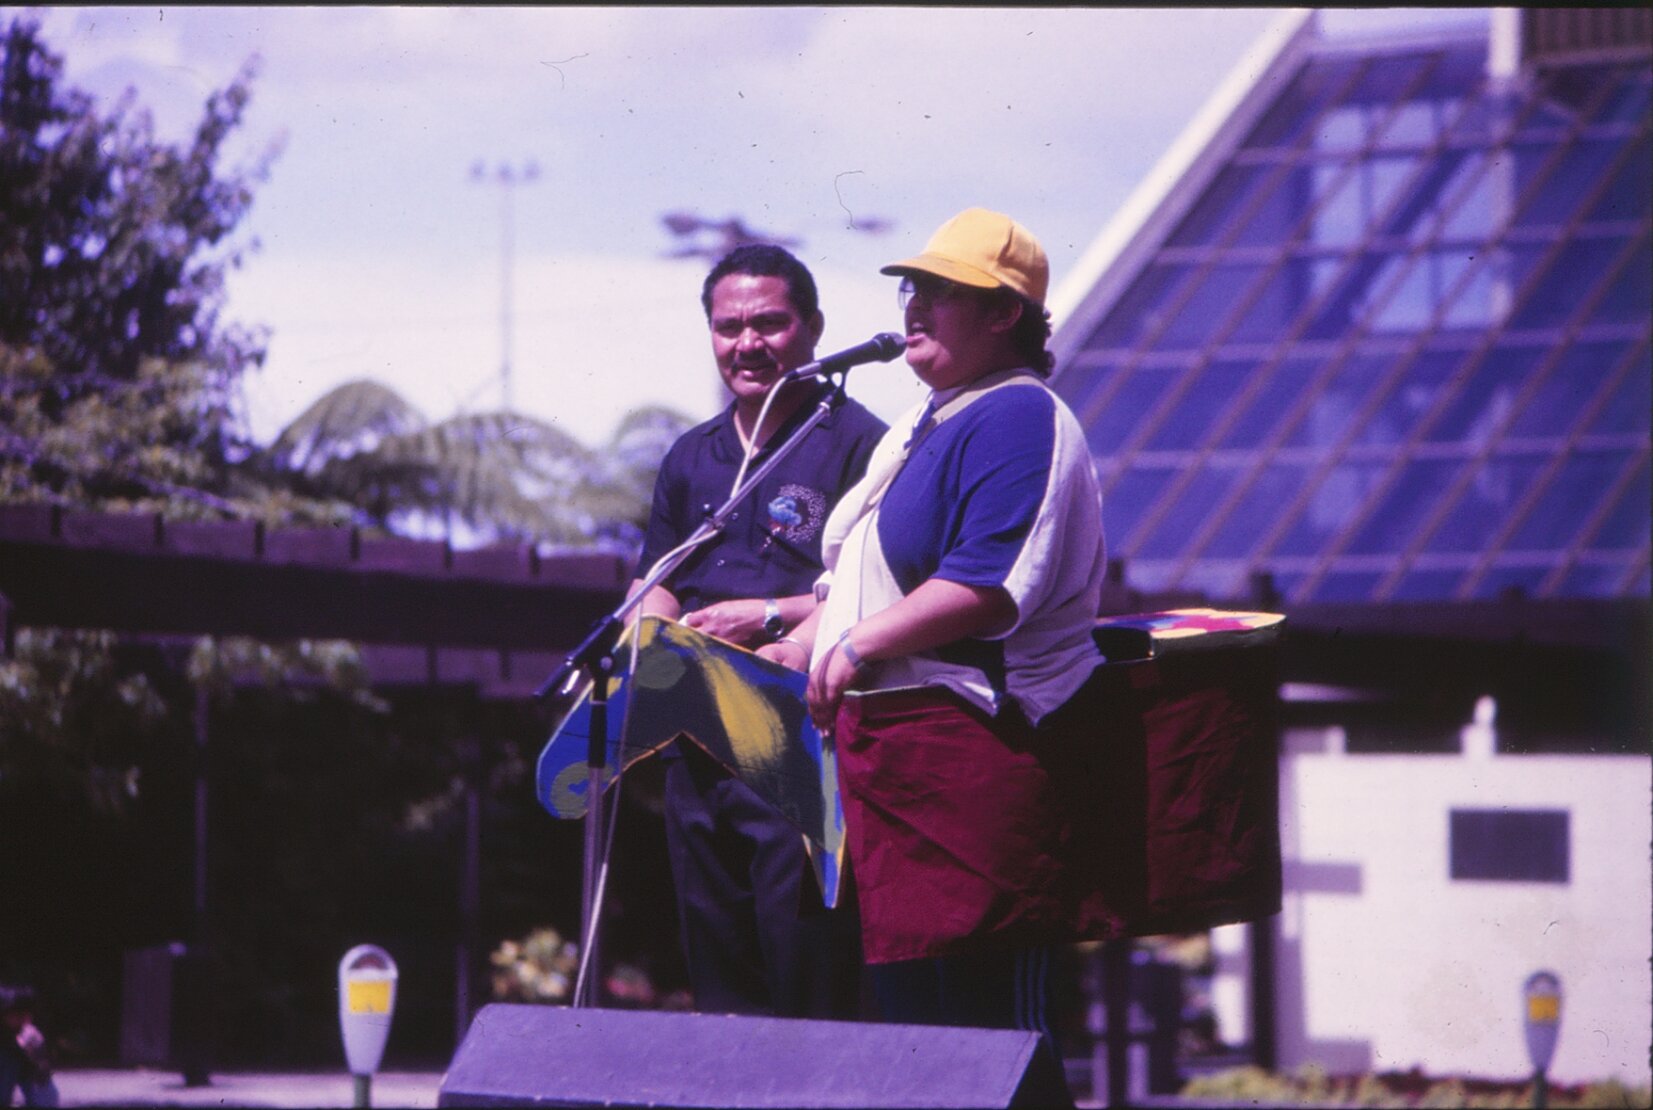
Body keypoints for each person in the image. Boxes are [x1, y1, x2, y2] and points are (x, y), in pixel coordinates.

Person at [758, 208, 1113, 1049]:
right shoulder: (932, 420)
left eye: (945, 291)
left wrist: (853, 645)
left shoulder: (1019, 413)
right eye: (913, 287)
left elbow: (987, 587)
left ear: (1005, 314)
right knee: (917, 1045)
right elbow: (865, 582)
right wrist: (798, 642)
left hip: (980, 768)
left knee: (995, 1043)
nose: (915, 305)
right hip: (897, 768)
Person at [628, 243, 888, 1018]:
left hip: (797, 744)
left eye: (769, 324)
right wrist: (649, 635)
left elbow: (871, 590)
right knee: (718, 973)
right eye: (728, 326)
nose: (747, 344)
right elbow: (659, 578)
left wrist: (767, 615)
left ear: (811, 328)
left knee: (805, 968)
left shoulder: (859, 443)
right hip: (698, 738)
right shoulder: (690, 456)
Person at [1, 984, 59, 1108]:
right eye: (18, 1013)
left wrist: (38, 1057)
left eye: (28, 1013)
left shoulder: (22, 1042)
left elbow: (47, 1101)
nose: (25, 1019)